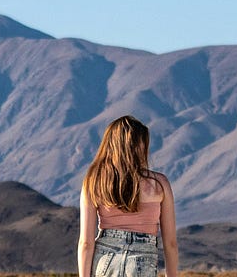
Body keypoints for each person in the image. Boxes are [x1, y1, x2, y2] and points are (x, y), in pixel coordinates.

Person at [77, 115, 179, 277]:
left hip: (105, 258)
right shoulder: (159, 184)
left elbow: (86, 243)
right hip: (142, 259)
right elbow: (170, 243)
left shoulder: (94, 181)